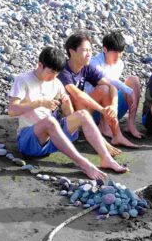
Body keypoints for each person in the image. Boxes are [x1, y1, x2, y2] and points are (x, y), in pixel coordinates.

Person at [8, 47, 127, 180]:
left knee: (83, 114)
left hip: (53, 140)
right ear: (40, 65)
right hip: (29, 141)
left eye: (57, 73)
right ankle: (84, 164)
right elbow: (12, 110)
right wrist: (39, 103)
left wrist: (67, 104)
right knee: (50, 121)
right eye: (51, 72)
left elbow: (69, 115)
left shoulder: (56, 82)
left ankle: (106, 159)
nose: (53, 77)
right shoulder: (23, 79)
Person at [59, 32, 138, 148]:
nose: (89, 54)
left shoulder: (86, 67)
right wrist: (103, 110)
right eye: (85, 50)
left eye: (90, 50)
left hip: (84, 111)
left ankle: (117, 135)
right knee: (76, 98)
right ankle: (94, 135)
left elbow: (111, 85)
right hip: (66, 117)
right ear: (72, 51)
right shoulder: (64, 70)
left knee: (105, 88)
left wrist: (113, 106)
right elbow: (77, 95)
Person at [86, 31, 144, 139]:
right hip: (93, 110)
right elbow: (109, 80)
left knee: (134, 80)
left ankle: (130, 125)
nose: (118, 56)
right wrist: (128, 91)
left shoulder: (120, 64)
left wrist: (128, 90)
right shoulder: (94, 63)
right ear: (105, 49)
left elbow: (116, 86)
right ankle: (103, 126)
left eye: (120, 52)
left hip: (112, 109)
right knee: (105, 87)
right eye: (115, 52)